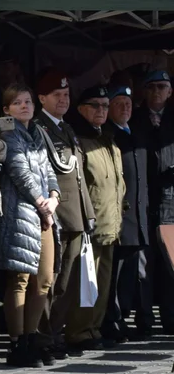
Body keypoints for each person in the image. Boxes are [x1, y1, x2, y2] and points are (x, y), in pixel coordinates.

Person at [0, 84, 59, 367]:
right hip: (20, 213)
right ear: (6, 109)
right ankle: (17, 342)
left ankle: (32, 337)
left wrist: (54, 197)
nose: (24, 106)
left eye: (28, 102)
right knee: (19, 280)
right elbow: (19, 171)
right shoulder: (7, 134)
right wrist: (43, 203)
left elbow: (49, 169)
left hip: (44, 213)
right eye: (17, 103)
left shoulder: (39, 133)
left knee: (44, 279)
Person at [34, 70, 95, 358]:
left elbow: (79, 175)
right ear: (41, 98)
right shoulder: (39, 128)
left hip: (76, 213)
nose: (63, 100)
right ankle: (46, 335)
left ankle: (56, 333)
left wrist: (88, 212)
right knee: (53, 279)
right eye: (56, 95)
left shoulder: (66, 128)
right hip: (58, 213)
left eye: (66, 95)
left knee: (68, 282)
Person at [65, 86, 125, 349]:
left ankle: (93, 329)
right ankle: (79, 332)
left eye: (105, 105)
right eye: (95, 106)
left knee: (101, 282)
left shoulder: (109, 139)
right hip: (91, 224)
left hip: (111, 224)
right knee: (84, 284)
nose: (102, 110)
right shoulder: (79, 139)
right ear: (82, 109)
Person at [103, 84, 152, 342]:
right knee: (117, 276)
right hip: (122, 217)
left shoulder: (137, 133)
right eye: (119, 103)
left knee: (137, 274)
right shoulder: (110, 135)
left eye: (129, 103)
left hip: (140, 217)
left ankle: (137, 319)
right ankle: (113, 321)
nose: (125, 107)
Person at [130, 70, 174, 333]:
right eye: (152, 87)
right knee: (143, 265)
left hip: (171, 199)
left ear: (170, 91)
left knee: (170, 264)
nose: (157, 92)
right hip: (142, 200)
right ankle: (144, 319)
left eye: (162, 87)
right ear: (144, 91)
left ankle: (170, 318)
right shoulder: (134, 119)